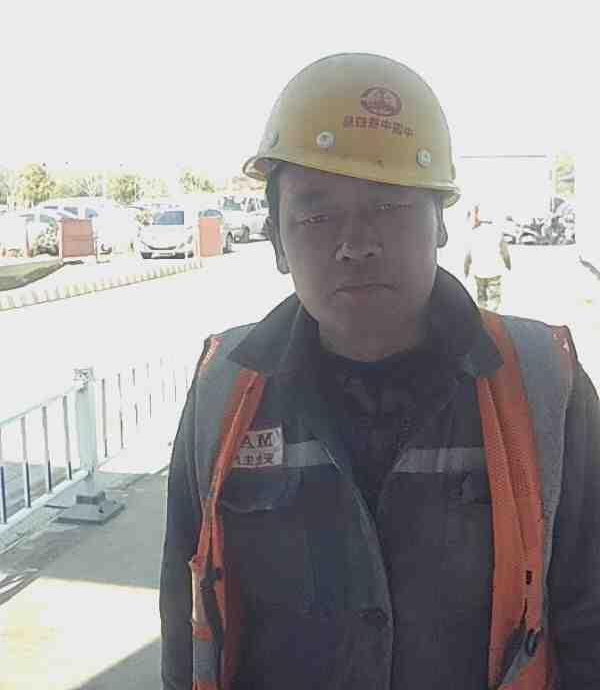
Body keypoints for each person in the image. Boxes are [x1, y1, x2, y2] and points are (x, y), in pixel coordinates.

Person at [160, 53, 600, 690]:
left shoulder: (543, 385)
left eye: (390, 205)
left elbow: (589, 615)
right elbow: (188, 623)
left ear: (440, 222)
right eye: (316, 214)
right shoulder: (222, 393)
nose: (357, 243)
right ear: (277, 242)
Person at [464, 205, 512, 311]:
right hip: (494, 272)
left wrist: (466, 269)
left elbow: (468, 255)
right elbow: (505, 253)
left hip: (478, 271)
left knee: (481, 297)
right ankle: (492, 315)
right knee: (494, 298)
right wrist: (508, 265)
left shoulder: (474, 233)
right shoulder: (497, 232)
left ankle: (483, 316)